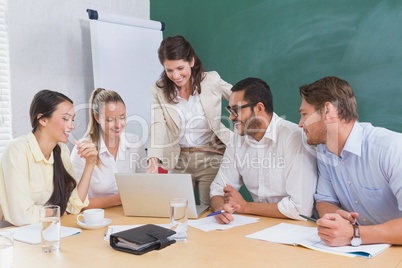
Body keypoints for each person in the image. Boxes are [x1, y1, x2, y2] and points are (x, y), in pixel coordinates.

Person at [298, 76, 402, 246]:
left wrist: (354, 234)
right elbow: (325, 200)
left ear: (327, 111)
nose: (300, 124)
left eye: (304, 115)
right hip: (361, 252)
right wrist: (336, 218)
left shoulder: (392, 148)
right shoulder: (324, 151)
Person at [210, 77, 318, 224]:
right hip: (258, 226)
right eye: (230, 110)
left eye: (236, 110)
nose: (230, 117)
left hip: (296, 228)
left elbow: (301, 209)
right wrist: (221, 208)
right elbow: (218, 188)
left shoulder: (293, 137)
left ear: (259, 108)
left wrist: (246, 207)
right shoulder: (238, 139)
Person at [147, 35, 233, 206]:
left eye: (180, 68)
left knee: (211, 211)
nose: (176, 75)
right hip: (178, 159)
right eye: (169, 70)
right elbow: (158, 124)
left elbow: (241, 99)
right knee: (173, 210)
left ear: (191, 61)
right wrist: (153, 160)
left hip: (211, 156)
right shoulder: (159, 90)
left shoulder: (211, 81)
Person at [0, 90, 97, 226]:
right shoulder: (16, 150)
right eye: (65, 119)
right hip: (13, 234)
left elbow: (73, 206)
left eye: (72, 120)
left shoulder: (61, 151)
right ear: (43, 119)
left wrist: (90, 163)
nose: (72, 126)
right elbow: (22, 216)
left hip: (46, 229)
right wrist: (55, 211)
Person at [71, 88, 146, 209]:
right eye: (110, 119)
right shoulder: (83, 149)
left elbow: (145, 187)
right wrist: (119, 200)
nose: (118, 124)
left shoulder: (135, 143)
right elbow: (77, 203)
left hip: (130, 213)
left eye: (122, 117)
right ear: (97, 118)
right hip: (96, 218)